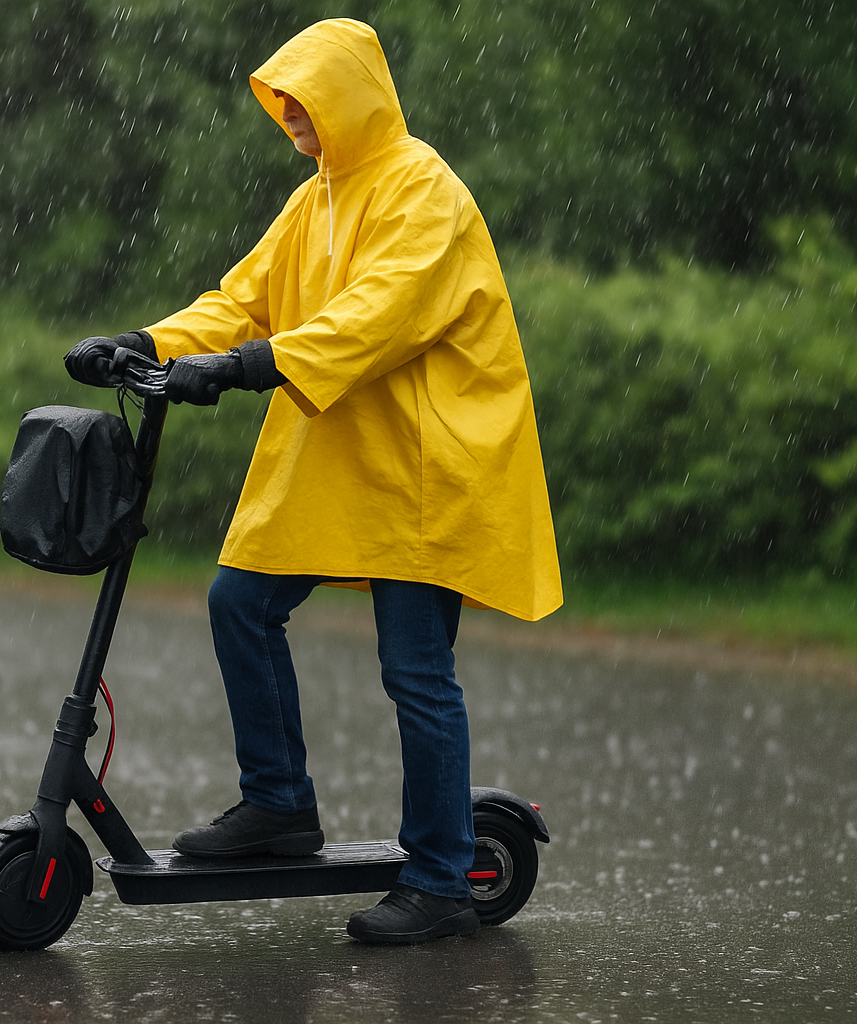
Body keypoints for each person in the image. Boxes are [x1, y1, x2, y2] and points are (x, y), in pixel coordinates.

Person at [64, 17, 561, 944]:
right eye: (280, 98)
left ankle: (444, 878)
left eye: (305, 95)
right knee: (238, 602)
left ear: (349, 96)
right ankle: (280, 805)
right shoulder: (314, 200)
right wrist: (153, 342)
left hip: (423, 464)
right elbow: (240, 297)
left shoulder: (423, 190)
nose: (289, 112)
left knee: (416, 671)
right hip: (339, 454)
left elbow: (380, 316)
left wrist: (250, 366)